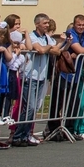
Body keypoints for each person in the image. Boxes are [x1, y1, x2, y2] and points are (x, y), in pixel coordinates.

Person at [10, 13, 54, 147]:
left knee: (35, 108)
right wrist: (48, 48)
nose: (47, 25)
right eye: (45, 23)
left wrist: (49, 48)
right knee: (29, 107)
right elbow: (39, 50)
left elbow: (56, 50)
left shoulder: (46, 37)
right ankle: (18, 135)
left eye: (48, 23)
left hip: (41, 75)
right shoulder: (32, 36)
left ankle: (26, 134)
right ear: (37, 24)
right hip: (30, 76)